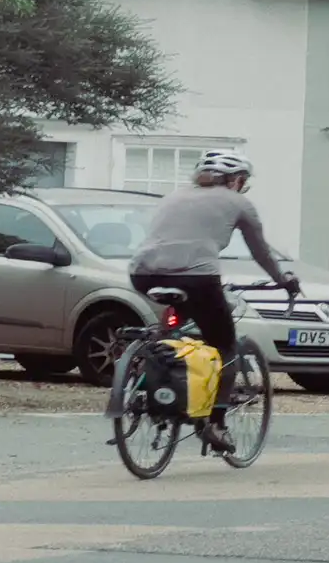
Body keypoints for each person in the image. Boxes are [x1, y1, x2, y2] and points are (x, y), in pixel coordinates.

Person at [127, 149, 299, 453]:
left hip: (142, 273)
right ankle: (217, 424)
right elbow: (260, 252)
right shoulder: (239, 203)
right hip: (196, 277)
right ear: (234, 180)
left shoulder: (173, 197)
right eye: (242, 180)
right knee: (225, 346)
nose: (242, 186)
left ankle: (148, 371)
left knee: (171, 331)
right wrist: (284, 280)